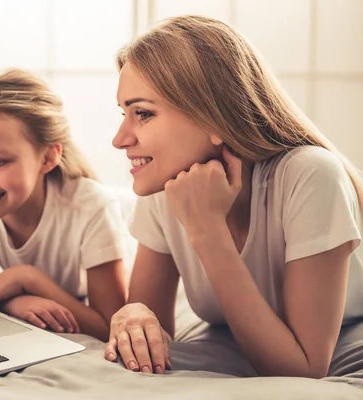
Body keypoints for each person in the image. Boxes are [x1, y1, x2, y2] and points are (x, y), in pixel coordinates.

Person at [105, 15, 363, 378]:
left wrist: (208, 232)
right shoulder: (164, 183)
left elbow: (303, 371)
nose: (119, 139)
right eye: (124, 114)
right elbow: (154, 332)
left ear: (213, 117)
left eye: (143, 114)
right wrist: (134, 315)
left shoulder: (311, 175)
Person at [0, 69, 127, 342]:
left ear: (47, 158)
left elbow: (109, 326)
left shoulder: (93, 208)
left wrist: (27, 279)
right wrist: (12, 302)